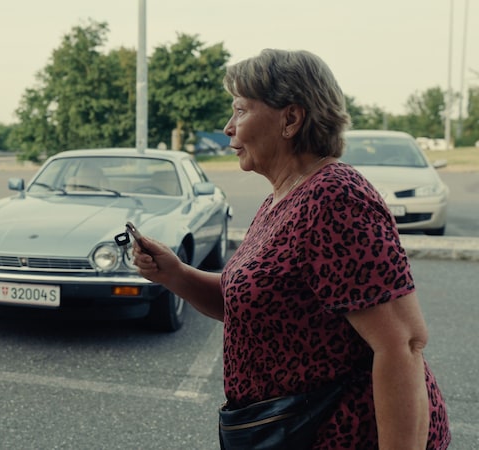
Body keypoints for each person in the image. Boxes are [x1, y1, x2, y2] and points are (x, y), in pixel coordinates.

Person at [132, 49, 450, 449]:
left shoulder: (335, 197)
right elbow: (248, 305)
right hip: (283, 429)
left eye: (241, 111)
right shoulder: (281, 199)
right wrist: (174, 273)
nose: (229, 128)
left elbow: (401, 344)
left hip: (343, 435)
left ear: (291, 119)